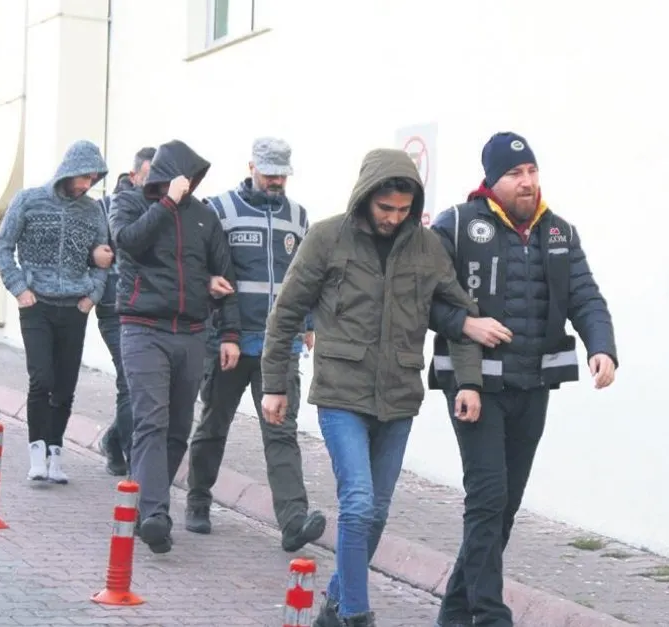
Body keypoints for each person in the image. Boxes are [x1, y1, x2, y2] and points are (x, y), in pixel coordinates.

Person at [259, 148, 484, 627]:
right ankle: (356, 615)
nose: (393, 218)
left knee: (377, 513)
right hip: (341, 392)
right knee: (358, 503)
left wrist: (469, 381)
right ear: (365, 197)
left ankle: (334, 605)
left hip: (399, 396)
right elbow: (285, 313)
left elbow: (459, 315)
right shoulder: (327, 238)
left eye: (403, 209)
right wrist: (274, 385)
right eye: (385, 208)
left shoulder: (428, 248)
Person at [427, 132, 618, 627]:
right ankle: (491, 615)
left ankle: (454, 615)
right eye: (515, 174)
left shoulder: (559, 232)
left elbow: (585, 296)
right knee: (487, 498)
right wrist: (465, 324)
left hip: (533, 386)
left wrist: (601, 347)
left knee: (505, 506)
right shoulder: (457, 224)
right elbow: (424, 299)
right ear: (492, 180)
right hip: (475, 386)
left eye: (532, 171)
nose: (527, 182)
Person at [185, 137, 326, 550]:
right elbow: (197, 264)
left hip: (279, 348)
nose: (276, 181)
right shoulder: (220, 210)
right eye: (269, 174)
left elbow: (306, 277)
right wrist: (208, 286)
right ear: (251, 167)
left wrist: (309, 322)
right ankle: (197, 499)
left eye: (282, 175)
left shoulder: (298, 217)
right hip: (228, 343)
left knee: (281, 433)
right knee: (214, 426)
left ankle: (293, 521)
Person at [110, 139, 241, 554]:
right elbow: (128, 242)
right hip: (142, 328)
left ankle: (143, 506)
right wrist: (167, 203)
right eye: (188, 177)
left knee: (179, 429)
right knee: (152, 420)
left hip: (192, 332)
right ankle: (156, 514)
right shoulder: (129, 203)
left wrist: (230, 333)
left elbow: (223, 274)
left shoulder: (204, 217)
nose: (193, 184)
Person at [0, 139, 111, 484]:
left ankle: (55, 454)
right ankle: (36, 452)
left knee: (65, 385)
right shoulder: (28, 201)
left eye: (93, 179)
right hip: (37, 306)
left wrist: (92, 296)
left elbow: (103, 258)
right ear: (69, 171)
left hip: (74, 307)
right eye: (84, 177)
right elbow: (3, 247)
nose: (88, 184)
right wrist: (19, 288)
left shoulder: (93, 211)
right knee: (41, 378)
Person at [96, 146, 155, 476]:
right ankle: (137, 462)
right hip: (115, 308)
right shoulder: (106, 207)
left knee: (144, 384)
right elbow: (88, 249)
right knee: (130, 380)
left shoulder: (165, 208)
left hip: (152, 308)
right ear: (134, 176)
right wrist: (93, 255)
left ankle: (113, 438)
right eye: (149, 177)